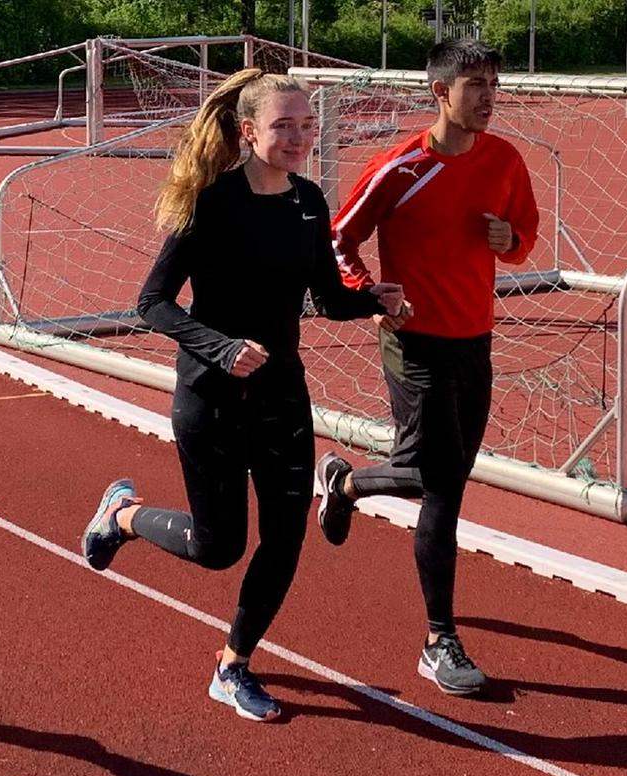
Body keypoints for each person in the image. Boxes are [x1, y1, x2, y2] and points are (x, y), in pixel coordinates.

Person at [79, 69, 408, 722]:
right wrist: (220, 347)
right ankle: (121, 516)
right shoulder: (208, 203)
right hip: (210, 398)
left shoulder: (309, 203)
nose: (297, 137)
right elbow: (150, 303)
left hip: (281, 394)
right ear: (248, 131)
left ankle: (233, 666)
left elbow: (324, 295)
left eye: (305, 125)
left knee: (285, 537)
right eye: (283, 126)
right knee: (217, 547)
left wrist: (372, 300)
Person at [314, 39, 540, 696]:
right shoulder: (400, 168)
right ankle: (438, 639)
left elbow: (524, 235)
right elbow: (337, 239)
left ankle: (346, 486)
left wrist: (510, 241)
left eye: (493, 83)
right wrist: (364, 294)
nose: (487, 96)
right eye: (473, 84)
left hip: (475, 339)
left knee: (446, 481)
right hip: (411, 341)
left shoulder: (504, 160)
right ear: (439, 92)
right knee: (437, 483)